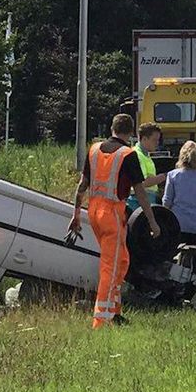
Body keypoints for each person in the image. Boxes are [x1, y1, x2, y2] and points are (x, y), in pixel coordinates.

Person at [69, 114, 160, 329]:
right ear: (131, 133)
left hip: (94, 212)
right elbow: (140, 192)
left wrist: (76, 214)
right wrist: (152, 221)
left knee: (121, 261)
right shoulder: (127, 155)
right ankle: (101, 318)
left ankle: (114, 311)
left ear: (112, 128)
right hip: (112, 214)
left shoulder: (94, 150)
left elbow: (83, 184)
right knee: (111, 266)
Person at [162, 140, 196, 246]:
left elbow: (167, 201)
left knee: (175, 256)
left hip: (177, 223)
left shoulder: (173, 176)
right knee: (195, 256)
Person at [125, 122, 166, 213]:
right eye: (154, 140)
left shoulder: (144, 155)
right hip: (139, 202)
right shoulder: (137, 155)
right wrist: (164, 176)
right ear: (144, 139)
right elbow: (142, 182)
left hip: (144, 199)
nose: (157, 143)